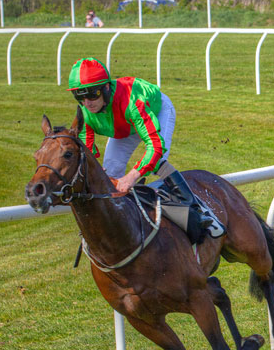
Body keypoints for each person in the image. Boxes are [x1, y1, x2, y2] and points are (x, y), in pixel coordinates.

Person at [67, 57, 223, 242]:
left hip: (154, 111)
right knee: (110, 169)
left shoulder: (133, 102)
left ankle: (200, 211)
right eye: (80, 96)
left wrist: (132, 176)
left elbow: (155, 147)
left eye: (93, 94)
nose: (87, 103)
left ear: (106, 88)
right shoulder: (85, 111)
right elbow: (88, 153)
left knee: (158, 161)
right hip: (124, 124)